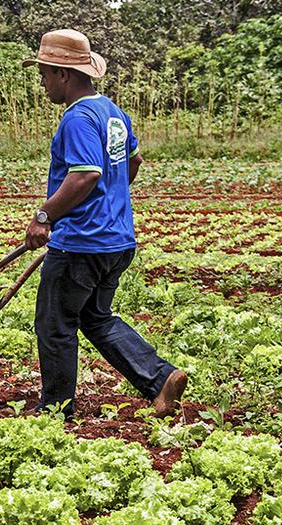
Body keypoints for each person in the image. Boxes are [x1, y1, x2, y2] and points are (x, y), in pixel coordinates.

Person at [21, 29, 185, 418]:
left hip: (81, 243)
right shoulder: (112, 113)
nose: (43, 82)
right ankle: (159, 378)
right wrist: (110, 201)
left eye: (44, 73)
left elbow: (84, 175)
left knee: (54, 324)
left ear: (64, 74)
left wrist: (45, 216)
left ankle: (55, 409)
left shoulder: (77, 118)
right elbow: (134, 162)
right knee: (95, 317)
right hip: (116, 240)